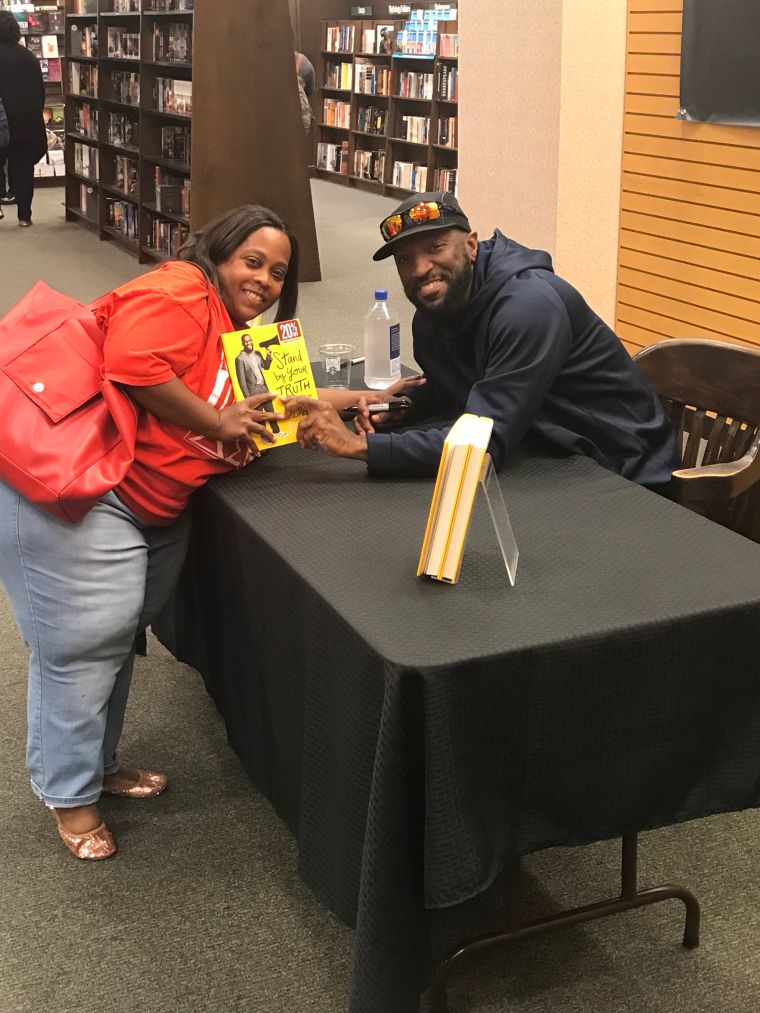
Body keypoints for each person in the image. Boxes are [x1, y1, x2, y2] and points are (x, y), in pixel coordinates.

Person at [0, 204, 301, 861]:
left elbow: (277, 407)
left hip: (142, 499)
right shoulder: (183, 289)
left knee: (112, 638)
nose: (264, 280)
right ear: (218, 253)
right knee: (83, 642)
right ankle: (69, 796)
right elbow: (134, 364)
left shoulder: (241, 334)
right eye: (252, 261)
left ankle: (97, 765)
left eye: (278, 272)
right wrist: (217, 424)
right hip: (83, 485)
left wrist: (353, 403)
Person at [287, 192, 681, 489]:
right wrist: (405, 406)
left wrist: (357, 447)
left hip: (625, 470)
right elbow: (460, 389)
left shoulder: (528, 307)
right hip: (544, 449)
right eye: (405, 259)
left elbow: (481, 443)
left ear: (471, 245)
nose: (420, 268)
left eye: (435, 247)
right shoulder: (435, 311)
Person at [0, 10, 46, 227]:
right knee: (24, 166)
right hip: (26, 121)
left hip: (2, 120)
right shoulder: (29, 57)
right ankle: (24, 215)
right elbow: (39, 92)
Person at [235, 333, 282, 435]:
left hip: (263, 388)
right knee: (259, 415)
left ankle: (277, 431)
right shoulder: (240, 359)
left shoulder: (257, 353)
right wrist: (248, 399)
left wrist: (268, 355)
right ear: (243, 343)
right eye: (246, 341)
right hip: (253, 391)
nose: (248, 343)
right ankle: (264, 436)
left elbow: (266, 366)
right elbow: (242, 381)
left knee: (270, 412)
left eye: (250, 340)